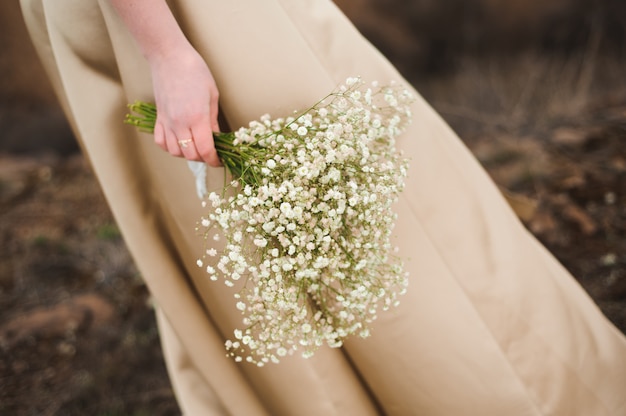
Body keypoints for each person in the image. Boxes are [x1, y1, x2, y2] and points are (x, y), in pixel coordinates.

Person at [20, 0, 626, 414]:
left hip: (137, 21)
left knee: (327, 212)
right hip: (167, 22)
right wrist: (168, 53)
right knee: (339, 217)